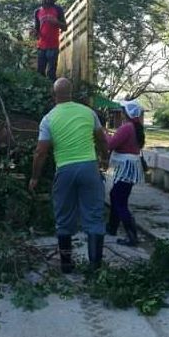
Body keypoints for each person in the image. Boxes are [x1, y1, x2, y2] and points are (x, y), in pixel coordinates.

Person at [29, 78, 108, 272]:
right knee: (94, 216)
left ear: (53, 95)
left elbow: (40, 152)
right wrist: (105, 159)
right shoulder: (89, 113)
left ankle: (66, 264)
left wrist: (35, 177)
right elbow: (102, 139)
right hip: (89, 168)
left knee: (63, 217)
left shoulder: (48, 118)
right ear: (72, 93)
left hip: (64, 170)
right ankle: (95, 266)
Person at [106, 100, 145, 246]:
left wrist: (104, 135)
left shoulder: (126, 128)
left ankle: (132, 235)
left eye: (122, 111)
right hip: (129, 167)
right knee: (116, 195)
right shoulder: (136, 127)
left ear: (126, 113)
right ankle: (112, 227)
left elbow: (111, 144)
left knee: (119, 200)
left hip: (125, 168)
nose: (121, 113)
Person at [33, 0, 67, 81]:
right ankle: (41, 93)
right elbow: (37, 31)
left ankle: (52, 93)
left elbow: (65, 27)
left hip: (53, 46)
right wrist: (33, 33)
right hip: (41, 47)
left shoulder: (58, 9)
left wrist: (56, 22)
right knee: (40, 73)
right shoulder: (37, 12)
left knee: (51, 74)